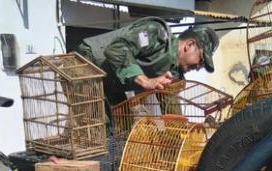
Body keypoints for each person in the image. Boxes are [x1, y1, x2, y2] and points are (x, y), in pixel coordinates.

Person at [78, 17, 219, 107]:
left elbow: (170, 108)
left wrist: (179, 135)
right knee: (94, 133)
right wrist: (146, 82)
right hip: (87, 66)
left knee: (123, 132)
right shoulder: (156, 34)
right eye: (201, 59)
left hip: (110, 82)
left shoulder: (174, 74)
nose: (199, 67)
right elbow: (116, 49)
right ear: (189, 45)